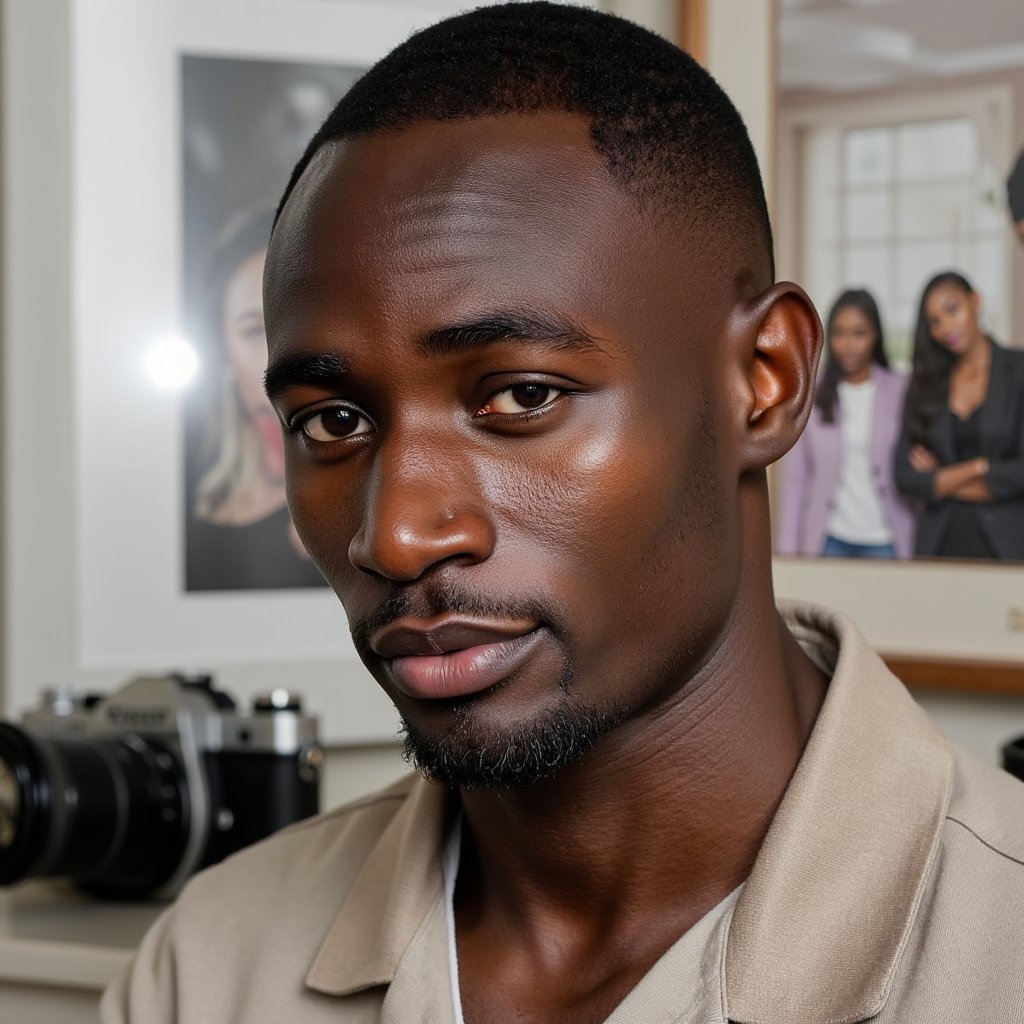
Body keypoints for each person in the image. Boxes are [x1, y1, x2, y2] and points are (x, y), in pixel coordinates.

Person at [103, 5, 1024, 1021]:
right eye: (332, 420)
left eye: (522, 396)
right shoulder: (203, 967)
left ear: (763, 381)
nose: (397, 533)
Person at [185, 207, 325, 589]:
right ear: (222, 347)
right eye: (252, 331)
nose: (278, 362)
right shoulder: (175, 488)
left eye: (303, 323)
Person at [894, 270, 1024, 560]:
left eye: (952, 310)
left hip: (1008, 546)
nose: (946, 328)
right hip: (939, 543)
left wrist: (939, 481)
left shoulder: (1018, 371)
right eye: (935, 322)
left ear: (975, 301)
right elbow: (904, 476)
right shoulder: (926, 384)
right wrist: (979, 467)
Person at [776, 288, 914, 558]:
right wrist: (787, 552)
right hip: (828, 539)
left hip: (886, 540)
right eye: (839, 333)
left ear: (875, 336)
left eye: (859, 333)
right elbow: (796, 480)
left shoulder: (900, 391)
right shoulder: (811, 395)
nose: (848, 344)